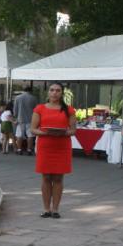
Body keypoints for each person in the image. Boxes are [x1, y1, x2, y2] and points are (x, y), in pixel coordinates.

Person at [30, 82, 76, 218]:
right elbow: (33, 129)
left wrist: (61, 133)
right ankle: (46, 209)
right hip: (45, 146)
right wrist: (46, 133)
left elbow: (73, 131)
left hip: (62, 147)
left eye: (58, 90)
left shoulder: (69, 110)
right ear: (48, 93)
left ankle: (55, 209)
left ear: (62, 93)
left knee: (58, 177)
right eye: (52, 90)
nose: (55, 93)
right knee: (45, 177)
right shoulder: (39, 108)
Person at [13, 88, 38, 155]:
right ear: (30, 91)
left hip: (20, 119)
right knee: (30, 135)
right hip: (31, 119)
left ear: (23, 91)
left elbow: (15, 109)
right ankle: (29, 149)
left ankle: (19, 149)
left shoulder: (18, 98)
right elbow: (36, 110)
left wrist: (15, 116)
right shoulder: (33, 98)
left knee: (19, 135)